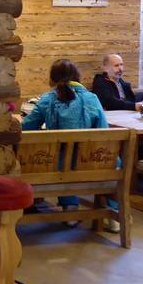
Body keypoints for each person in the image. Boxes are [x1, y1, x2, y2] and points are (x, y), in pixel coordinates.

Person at [22, 59, 119, 232]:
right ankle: (113, 213)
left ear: (52, 79)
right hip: (92, 165)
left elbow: (27, 128)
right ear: (77, 76)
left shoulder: (47, 100)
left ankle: (70, 207)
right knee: (115, 161)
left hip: (57, 169)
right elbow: (103, 133)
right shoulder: (92, 98)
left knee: (56, 157)